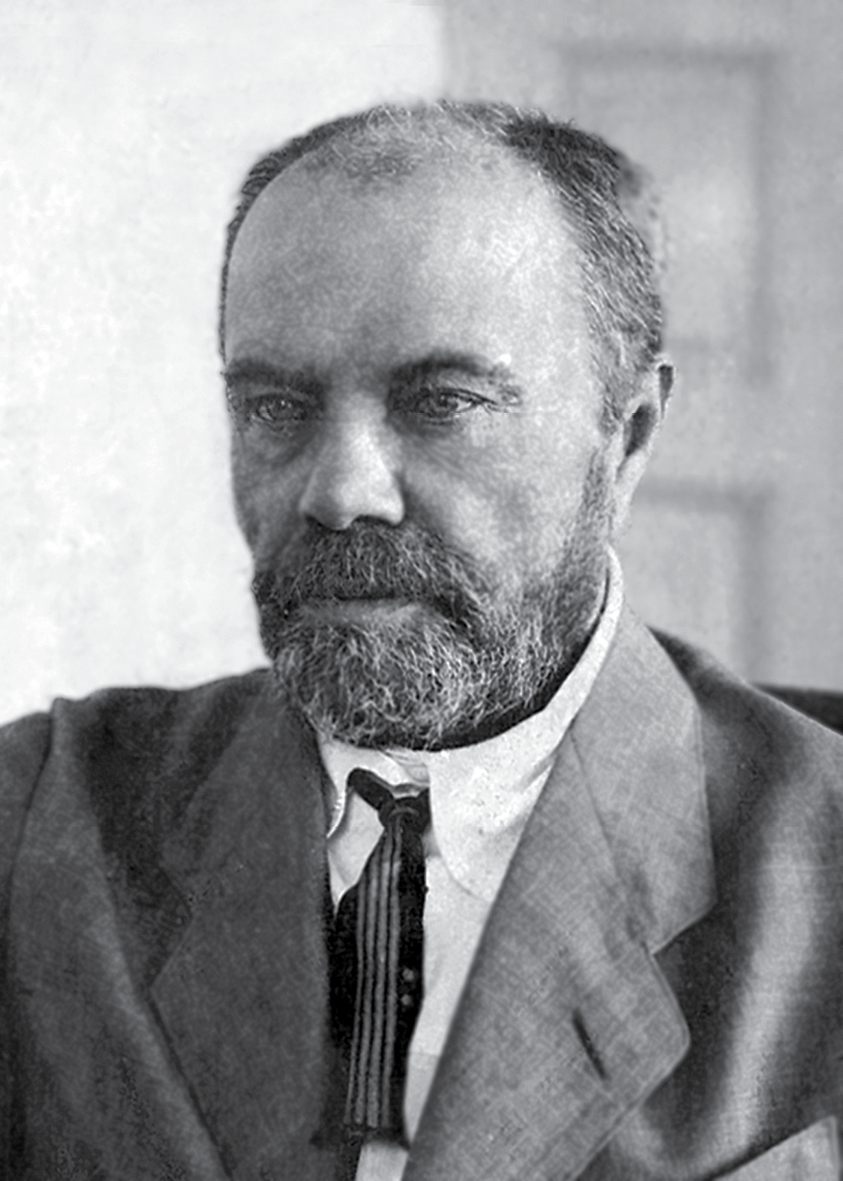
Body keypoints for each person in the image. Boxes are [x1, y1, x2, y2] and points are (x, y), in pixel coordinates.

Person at [2, 101, 843, 1181]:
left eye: (441, 402)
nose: (342, 490)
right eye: (276, 407)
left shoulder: (819, 868)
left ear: (625, 435)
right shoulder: (43, 829)